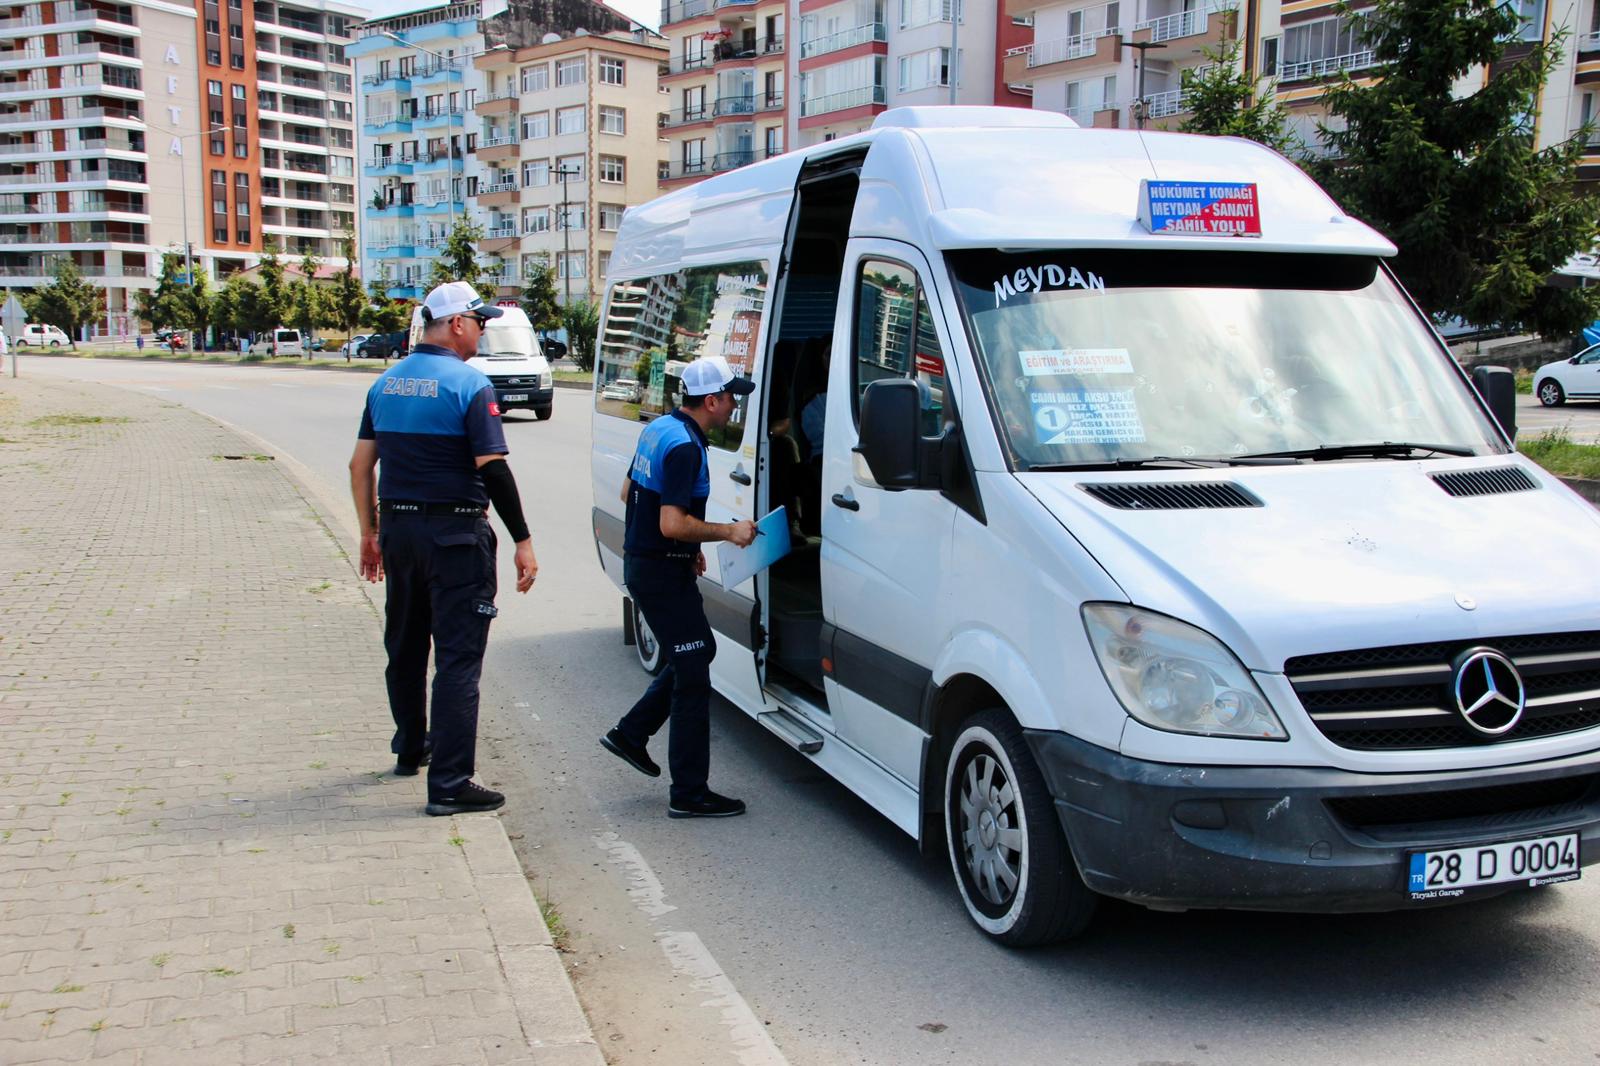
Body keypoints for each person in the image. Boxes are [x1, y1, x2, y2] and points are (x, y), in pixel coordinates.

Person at [348, 281, 538, 817]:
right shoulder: (469, 385)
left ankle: (412, 747)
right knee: (458, 661)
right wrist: (522, 539)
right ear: (457, 324)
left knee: (405, 646)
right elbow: (493, 468)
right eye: (479, 321)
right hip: (456, 536)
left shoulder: (384, 384)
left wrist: (369, 533)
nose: (481, 330)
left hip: (399, 534)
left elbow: (360, 467)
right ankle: (451, 783)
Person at [600, 355, 758, 819]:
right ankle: (689, 793)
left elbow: (631, 494)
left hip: (653, 565)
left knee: (697, 652)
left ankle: (631, 733)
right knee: (693, 675)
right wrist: (726, 532)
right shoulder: (686, 447)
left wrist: (687, 547)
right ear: (711, 400)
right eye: (730, 398)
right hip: (659, 572)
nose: (733, 407)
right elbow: (671, 522)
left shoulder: (659, 430)